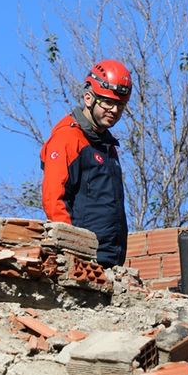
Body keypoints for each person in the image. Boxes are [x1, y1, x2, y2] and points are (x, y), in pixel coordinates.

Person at [40, 59, 132, 267]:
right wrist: (71, 251)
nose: (114, 110)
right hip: (83, 260)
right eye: (108, 102)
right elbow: (53, 199)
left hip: (111, 259)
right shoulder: (67, 138)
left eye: (120, 105)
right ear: (89, 97)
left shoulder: (106, 145)